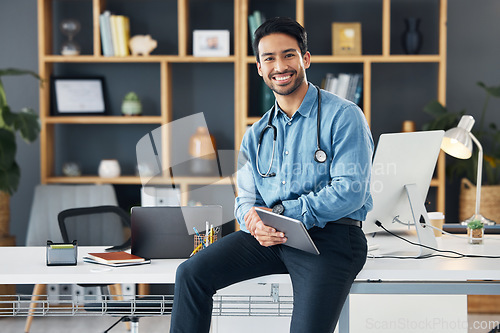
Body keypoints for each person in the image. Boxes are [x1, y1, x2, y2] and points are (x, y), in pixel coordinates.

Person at [170, 17, 373, 333]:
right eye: (270, 58)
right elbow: (245, 199)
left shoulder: (344, 116)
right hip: (270, 238)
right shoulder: (255, 134)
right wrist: (254, 222)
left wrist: (279, 214)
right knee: (191, 274)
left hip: (332, 238)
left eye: (289, 55)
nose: (281, 65)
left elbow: (351, 190)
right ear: (260, 68)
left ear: (305, 59)